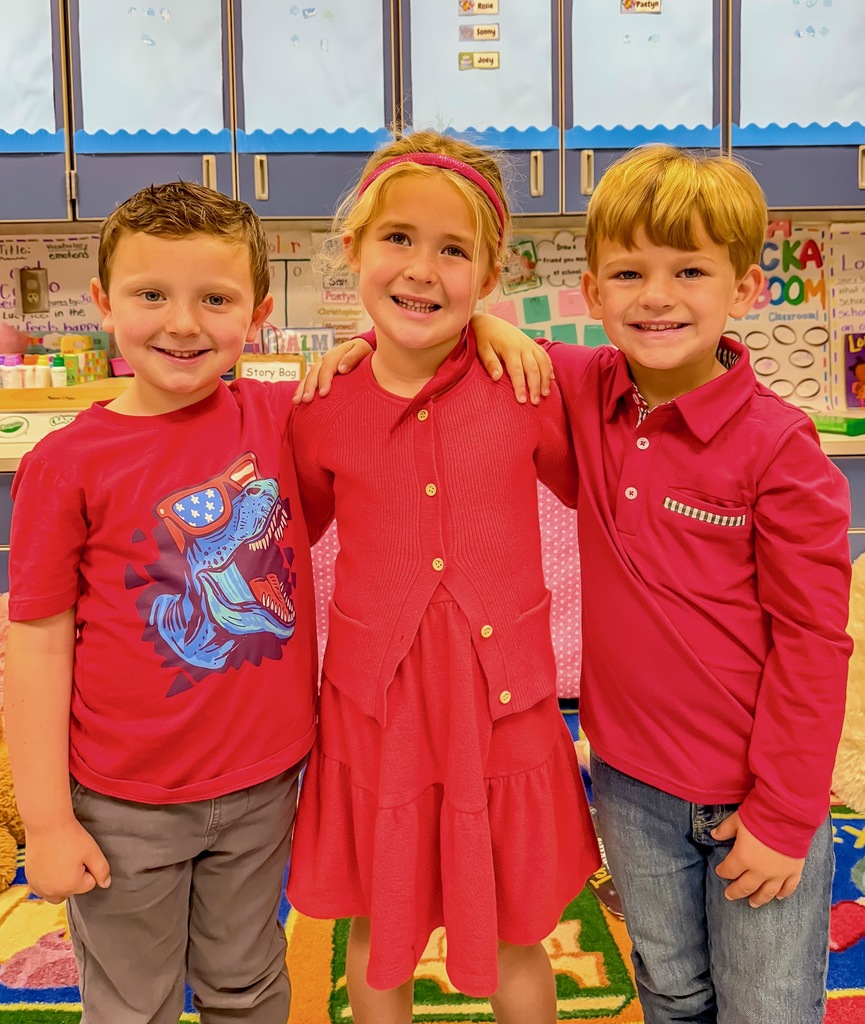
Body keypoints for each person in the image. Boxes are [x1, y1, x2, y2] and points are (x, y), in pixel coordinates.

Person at [307, 145, 853, 1024]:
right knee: (668, 991)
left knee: (767, 1005)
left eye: (688, 271)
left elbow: (815, 642)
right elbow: (429, 329)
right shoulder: (580, 389)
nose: (657, 295)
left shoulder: (777, 447)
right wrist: (476, 322)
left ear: (744, 289)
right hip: (629, 780)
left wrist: (786, 813)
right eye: (629, 273)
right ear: (593, 294)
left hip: (751, 789)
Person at [285, 130, 601, 1024]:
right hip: (374, 708)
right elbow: (282, 539)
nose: (422, 269)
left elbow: (631, 395)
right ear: (351, 249)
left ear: (489, 274)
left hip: (497, 705)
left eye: (453, 251)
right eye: (398, 239)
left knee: (515, 930)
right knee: (374, 927)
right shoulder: (319, 406)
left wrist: (498, 328)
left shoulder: (530, 383)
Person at [4, 181, 319, 1024]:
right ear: (105, 303)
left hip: (264, 786)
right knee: (131, 1003)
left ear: (256, 315)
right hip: (122, 805)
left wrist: (492, 324)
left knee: (247, 986)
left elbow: (401, 366)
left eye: (214, 299)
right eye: (151, 295)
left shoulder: (282, 418)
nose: (182, 323)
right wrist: (45, 820)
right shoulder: (67, 463)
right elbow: (34, 643)